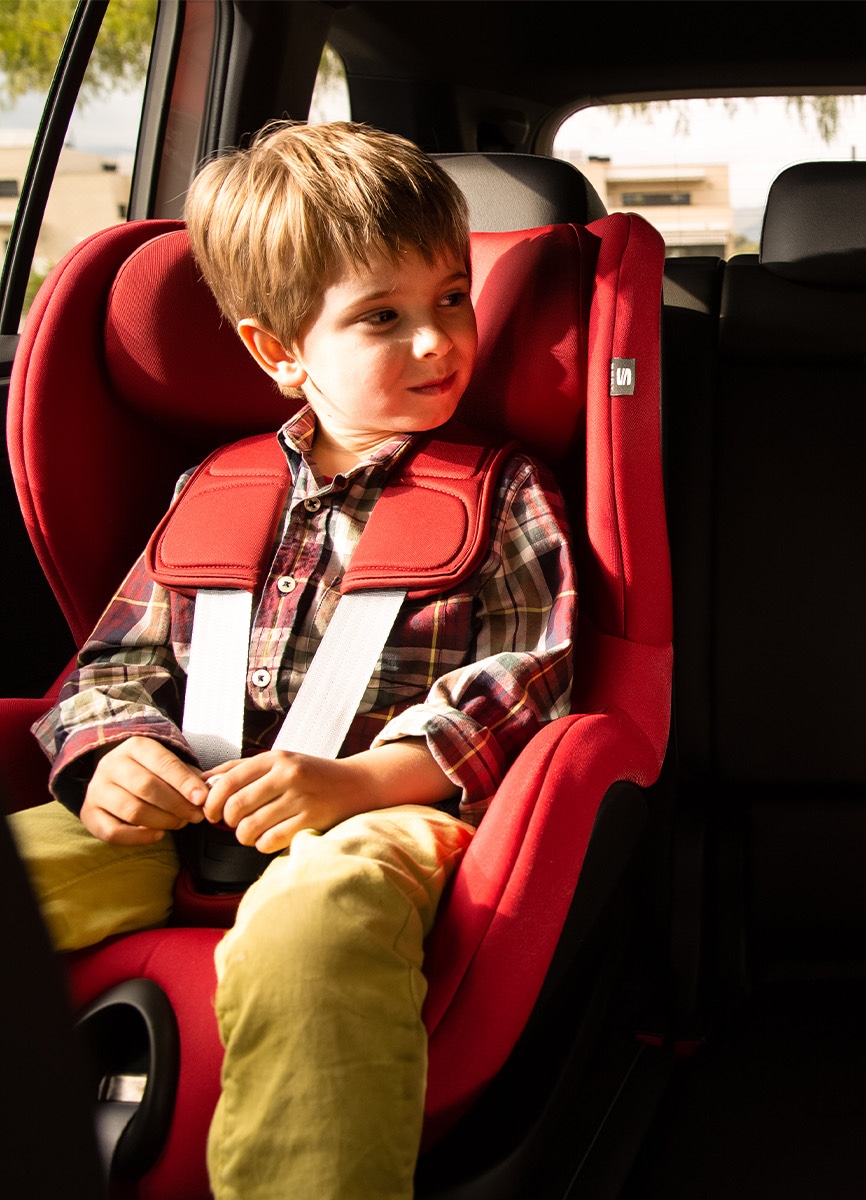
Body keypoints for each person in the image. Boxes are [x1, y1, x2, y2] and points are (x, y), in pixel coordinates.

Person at [9, 122, 576, 1199]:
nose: (436, 341)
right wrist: (110, 758)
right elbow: (112, 664)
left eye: (452, 298)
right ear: (280, 353)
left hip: (389, 811)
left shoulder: (506, 490)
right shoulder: (211, 489)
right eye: (382, 318)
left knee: (316, 924)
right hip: (196, 802)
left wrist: (362, 781)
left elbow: (530, 678)